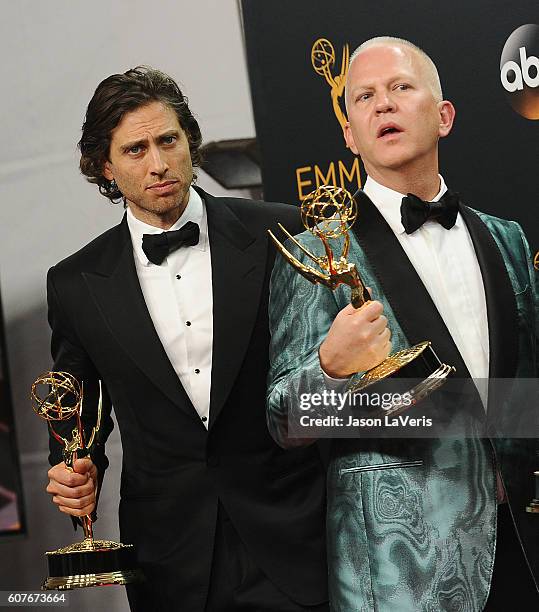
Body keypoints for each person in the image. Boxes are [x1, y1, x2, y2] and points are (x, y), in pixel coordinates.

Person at [44, 66, 329, 612]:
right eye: (135, 150)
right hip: (169, 557)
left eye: (168, 140)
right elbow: (77, 412)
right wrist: (73, 468)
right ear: (104, 165)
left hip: (292, 533)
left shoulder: (281, 233)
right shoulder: (76, 282)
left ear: (189, 141)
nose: (158, 164)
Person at [267, 37, 538, 611]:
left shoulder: (507, 239)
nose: (382, 105)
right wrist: (329, 369)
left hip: (523, 551)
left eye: (400, 88)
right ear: (349, 133)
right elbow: (284, 419)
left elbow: (525, 396)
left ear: (443, 116)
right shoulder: (317, 255)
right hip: (404, 571)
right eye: (363, 97)